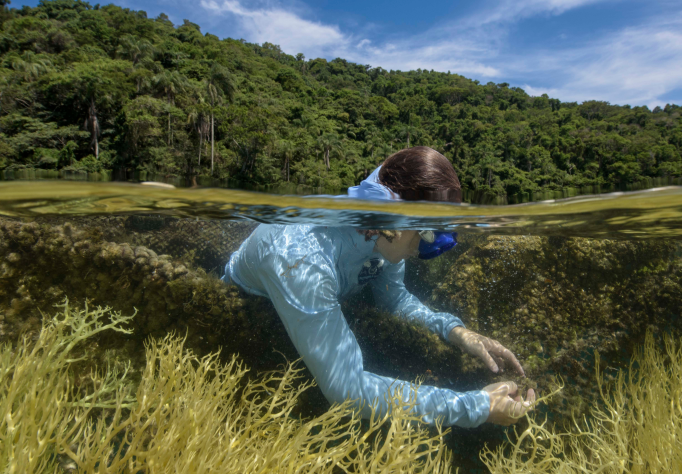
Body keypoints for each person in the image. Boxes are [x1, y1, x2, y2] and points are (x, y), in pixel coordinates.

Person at [223, 147, 535, 427]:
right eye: (429, 236)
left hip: (311, 320)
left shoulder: (385, 236)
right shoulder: (302, 259)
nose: (425, 251)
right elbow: (347, 390)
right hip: (247, 321)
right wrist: (477, 407)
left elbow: (394, 300)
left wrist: (455, 332)